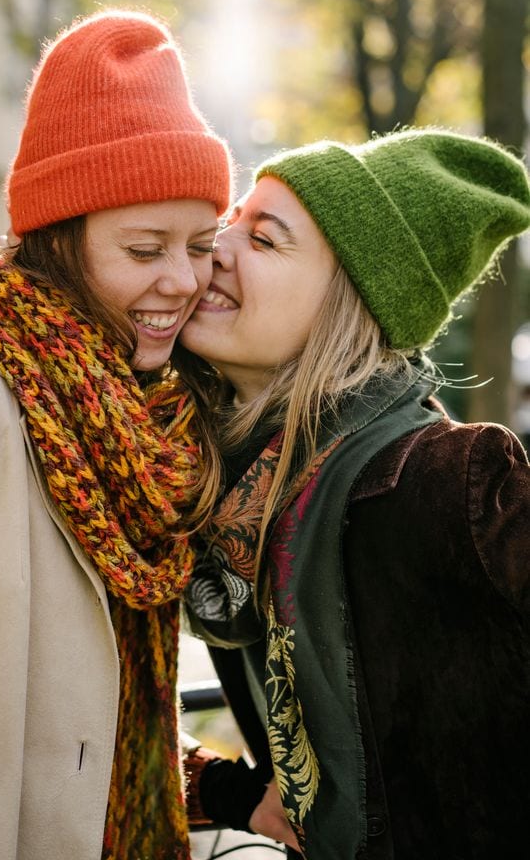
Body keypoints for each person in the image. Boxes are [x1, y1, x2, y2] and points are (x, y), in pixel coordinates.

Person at [0, 9, 233, 860]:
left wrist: (227, 789)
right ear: (59, 241)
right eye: (144, 248)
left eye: (201, 244)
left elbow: (87, 717)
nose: (182, 280)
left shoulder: (143, 435)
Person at [180, 128, 530, 859]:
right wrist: (234, 796)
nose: (215, 248)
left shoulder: (450, 481)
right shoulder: (212, 489)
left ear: (350, 301)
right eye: (232, 222)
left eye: (266, 240)